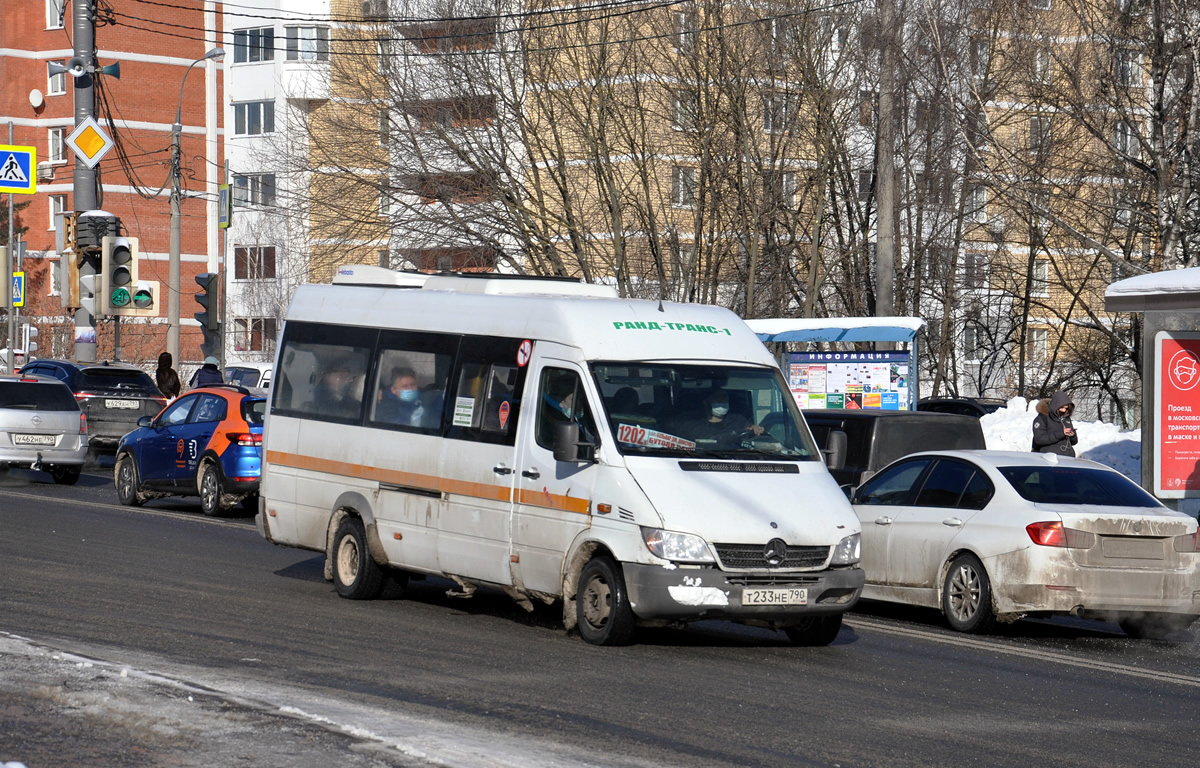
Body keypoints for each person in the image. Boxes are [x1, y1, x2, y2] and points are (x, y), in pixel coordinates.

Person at [686, 389, 765, 441]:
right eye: (717, 397)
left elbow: (750, 431)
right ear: (706, 401)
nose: (722, 400)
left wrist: (755, 428)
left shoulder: (739, 420)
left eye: (724, 397)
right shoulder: (693, 424)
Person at [1032, 391, 1078, 457]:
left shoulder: (1066, 418)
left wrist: (1072, 435)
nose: (1064, 410)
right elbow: (1039, 439)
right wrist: (1061, 433)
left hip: (1068, 457)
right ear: (1056, 406)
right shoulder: (1042, 418)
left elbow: (1074, 442)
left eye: (1066, 408)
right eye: (1062, 408)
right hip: (1049, 458)